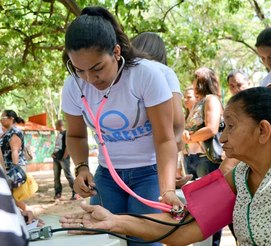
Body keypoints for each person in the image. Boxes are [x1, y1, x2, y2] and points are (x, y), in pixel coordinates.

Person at [61, 87, 271, 245]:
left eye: (231, 127)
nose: (221, 136)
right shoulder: (241, 174)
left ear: (263, 131)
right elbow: (187, 227)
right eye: (222, 126)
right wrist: (114, 220)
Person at [61, 7, 182, 245]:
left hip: (149, 174)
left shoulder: (146, 75)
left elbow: (165, 138)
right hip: (106, 177)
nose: (89, 79)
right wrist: (82, 167)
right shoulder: (73, 86)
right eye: (79, 69)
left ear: (116, 52)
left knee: (145, 240)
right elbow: (75, 136)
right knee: (103, 239)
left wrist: (167, 190)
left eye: (97, 68)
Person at [131, 32, 189, 188]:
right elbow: (177, 123)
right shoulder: (163, 71)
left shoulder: (120, 72)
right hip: (151, 163)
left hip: (114, 165)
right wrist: (168, 171)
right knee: (147, 213)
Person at [181, 67, 224, 246]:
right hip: (192, 160)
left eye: (195, 79)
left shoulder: (211, 100)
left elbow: (211, 128)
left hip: (206, 160)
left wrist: (189, 136)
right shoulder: (198, 103)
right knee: (197, 209)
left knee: (211, 209)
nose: (193, 82)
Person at [0, 110, 29, 211]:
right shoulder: (6, 132)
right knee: (12, 197)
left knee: (16, 197)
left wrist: (15, 171)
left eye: (3, 117)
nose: (0, 119)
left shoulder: (15, 132)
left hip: (15, 168)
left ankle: (31, 216)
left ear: (11, 118)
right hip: (9, 168)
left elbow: (15, 151)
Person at [51, 119, 76, 200]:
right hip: (56, 159)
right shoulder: (59, 134)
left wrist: (64, 157)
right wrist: (53, 153)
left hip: (63, 159)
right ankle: (58, 193)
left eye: (56, 125)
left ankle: (75, 192)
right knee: (56, 176)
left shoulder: (66, 133)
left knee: (68, 175)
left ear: (59, 125)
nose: (55, 127)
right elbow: (57, 146)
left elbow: (68, 146)